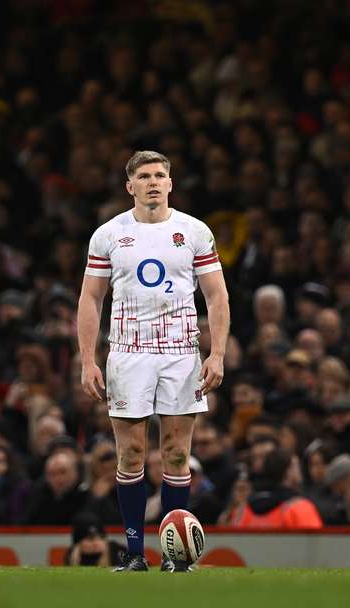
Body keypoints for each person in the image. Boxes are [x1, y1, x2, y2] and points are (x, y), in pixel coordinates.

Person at [77, 150, 230, 572]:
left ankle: (175, 557)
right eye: (143, 176)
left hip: (181, 352)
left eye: (159, 175)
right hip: (128, 352)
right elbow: (91, 298)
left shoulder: (194, 231)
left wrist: (216, 352)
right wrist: (87, 359)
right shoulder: (108, 235)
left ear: (170, 183)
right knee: (130, 454)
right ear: (130, 186)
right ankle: (133, 554)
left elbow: (216, 295)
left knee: (177, 455)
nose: (152, 182)